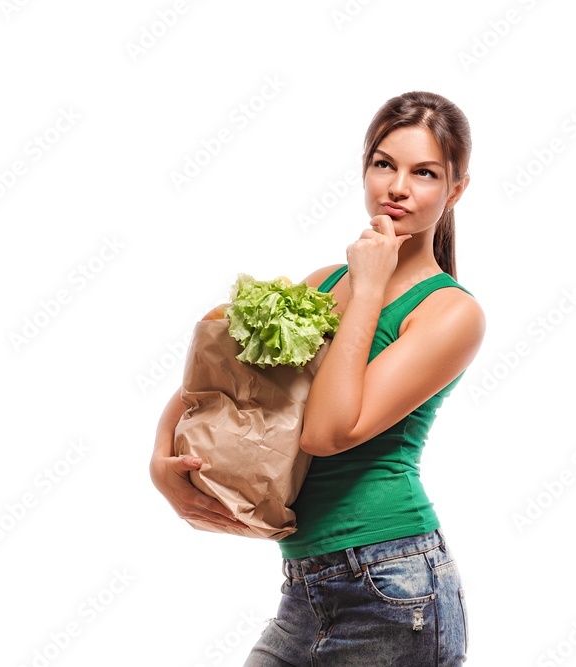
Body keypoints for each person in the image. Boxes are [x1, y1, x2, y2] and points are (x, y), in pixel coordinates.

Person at [150, 91, 485, 666]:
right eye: (384, 164)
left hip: (394, 588)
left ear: (455, 190)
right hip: (308, 589)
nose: (397, 186)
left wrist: (372, 286)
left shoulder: (450, 313)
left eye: (424, 172)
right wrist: (161, 463)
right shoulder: (326, 283)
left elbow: (326, 432)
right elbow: (219, 383)